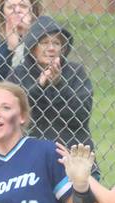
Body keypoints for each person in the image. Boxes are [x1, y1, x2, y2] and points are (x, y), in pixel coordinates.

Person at [9, 15, 95, 156]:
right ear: (32, 47)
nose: (51, 48)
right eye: (44, 43)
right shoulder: (19, 74)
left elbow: (81, 115)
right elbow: (15, 115)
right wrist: (39, 87)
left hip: (71, 151)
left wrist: (59, 85)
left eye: (56, 43)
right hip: (30, 152)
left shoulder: (75, 72)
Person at [0, 0, 42, 92]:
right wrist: (9, 49)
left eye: (23, 6)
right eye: (10, 7)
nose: (17, 10)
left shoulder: (45, 40)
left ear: (33, 11)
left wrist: (29, 37)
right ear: (2, 14)